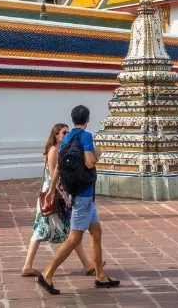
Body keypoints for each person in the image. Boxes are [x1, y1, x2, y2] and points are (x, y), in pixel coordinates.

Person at [37, 105, 120, 295]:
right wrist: (97, 155)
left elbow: (58, 167)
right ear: (87, 119)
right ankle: (47, 274)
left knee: (96, 231)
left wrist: (52, 189)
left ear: (73, 119)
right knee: (74, 238)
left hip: (78, 192)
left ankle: (100, 276)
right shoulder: (85, 136)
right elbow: (90, 162)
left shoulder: (66, 138)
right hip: (84, 194)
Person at [20, 123, 97, 277]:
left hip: (56, 193)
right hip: (53, 194)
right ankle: (28, 266)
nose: (66, 134)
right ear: (56, 135)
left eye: (67, 132)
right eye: (63, 132)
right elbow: (53, 175)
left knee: (69, 230)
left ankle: (87, 265)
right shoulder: (54, 151)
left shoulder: (61, 149)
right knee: (49, 230)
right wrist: (63, 196)